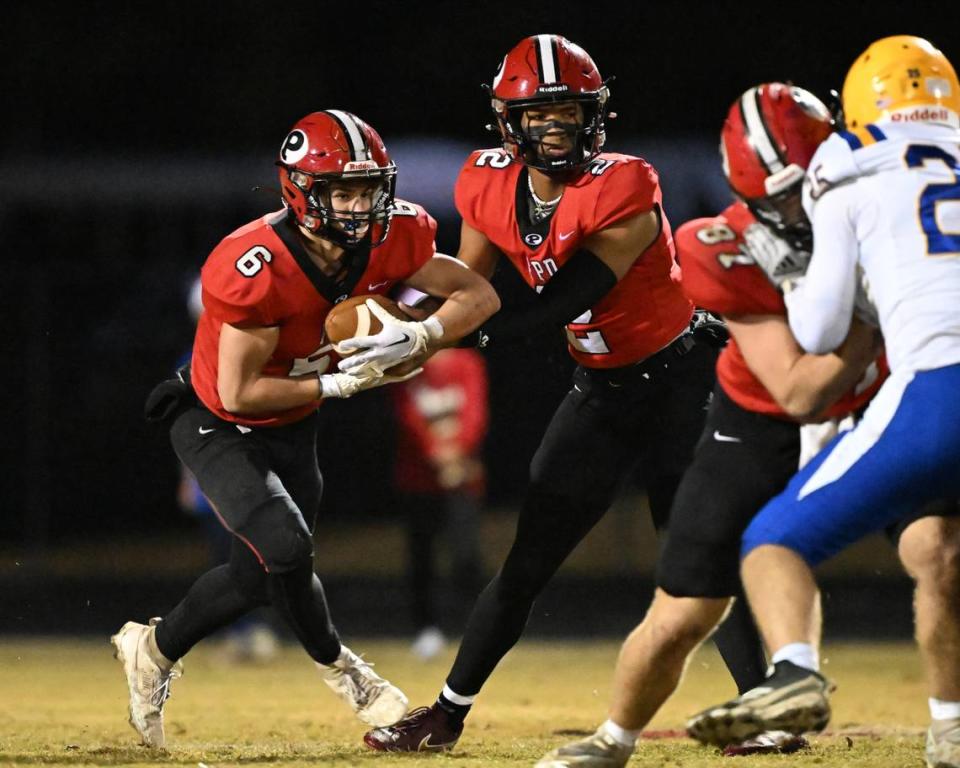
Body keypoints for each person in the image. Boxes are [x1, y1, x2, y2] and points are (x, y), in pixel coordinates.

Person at [360, 34, 765, 754]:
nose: (557, 129)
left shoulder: (628, 183)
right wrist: (401, 321)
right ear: (507, 123)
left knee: (699, 554)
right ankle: (445, 715)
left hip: (679, 381)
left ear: (594, 115)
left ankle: (766, 714)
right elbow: (468, 289)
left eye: (569, 114)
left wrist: (436, 340)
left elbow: (561, 303)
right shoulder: (485, 182)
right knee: (528, 561)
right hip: (602, 390)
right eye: (540, 116)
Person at [112, 109, 499, 749]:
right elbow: (239, 390)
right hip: (215, 418)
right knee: (287, 548)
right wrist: (340, 382)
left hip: (293, 423)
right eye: (342, 192)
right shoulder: (257, 262)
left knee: (260, 574)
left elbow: (479, 296)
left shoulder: (394, 235)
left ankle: (150, 649)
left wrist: (422, 333)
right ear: (301, 191)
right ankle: (343, 669)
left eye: (369, 189)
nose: (359, 205)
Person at [533, 82, 894, 767]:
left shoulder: (887, 212)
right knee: (681, 611)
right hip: (760, 423)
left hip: (881, 406)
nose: (798, 209)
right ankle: (614, 740)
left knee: (940, 548)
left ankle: (946, 719)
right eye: (778, 196)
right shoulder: (718, 243)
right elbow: (795, 390)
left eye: (807, 188)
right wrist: (871, 315)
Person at [683, 37, 960, 768]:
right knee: (939, 550)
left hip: (940, 387)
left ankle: (797, 671)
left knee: (774, 543)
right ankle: (953, 727)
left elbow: (816, 334)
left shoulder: (847, 172)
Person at [176, 276, 280, 664]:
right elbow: (184, 425)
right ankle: (241, 633)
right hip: (211, 473)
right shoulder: (189, 362)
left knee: (255, 556)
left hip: (246, 470)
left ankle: (254, 631)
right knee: (226, 557)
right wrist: (188, 477)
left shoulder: (255, 352)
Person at [388, 337, 489, 659]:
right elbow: (405, 414)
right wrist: (436, 453)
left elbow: (475, 411)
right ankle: (426, 629)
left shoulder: (467, 361)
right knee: (422, 558)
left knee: (467, 555)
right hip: (418, 479)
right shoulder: (403, 365)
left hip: (462, 476)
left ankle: (480, 632)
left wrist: (457, 453)